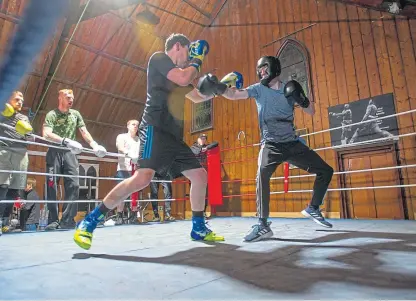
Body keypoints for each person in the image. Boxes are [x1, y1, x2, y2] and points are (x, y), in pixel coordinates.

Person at [74, 33, 224, 250]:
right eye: (188, 52)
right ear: (178, 46)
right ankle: (90, 221)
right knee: (142, 178)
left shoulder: (180, 77)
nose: (189, 57)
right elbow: (183, 77)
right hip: (154, 128)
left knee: (200, 176)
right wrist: (198, 60)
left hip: (173, 137)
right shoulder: (159, 59)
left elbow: (199, 96)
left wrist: (218, 88)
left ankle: (198, 228)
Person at [192, 56, 334, 242]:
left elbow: (311, 112)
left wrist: (302, 99)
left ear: (274, 67)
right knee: (262, 175)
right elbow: (235, 95)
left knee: (326, 170)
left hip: (292, 143)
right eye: (259, 69)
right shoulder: (258, 89)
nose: (261, 72)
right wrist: (218, 87)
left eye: (264, 67)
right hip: (271, 145)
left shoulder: (289, 89)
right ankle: (263, 225)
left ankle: (313, 207)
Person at [42, 89, 107, 231]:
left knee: (74, 184)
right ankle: (52, 219)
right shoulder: (52, 114)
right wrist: (64, 140)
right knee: (51, 185)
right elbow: (46, 133)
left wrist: (94, 145)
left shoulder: (76, 114)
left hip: (70, 153)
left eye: (72, 97)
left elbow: (84, 131)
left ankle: (67, 219)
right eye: (67, 97)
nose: (71, 99)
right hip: (54, 150)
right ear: (60, 98)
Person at [0, 91, 33, 236]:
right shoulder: (1, 114)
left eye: (22, 100)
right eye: (17, 99)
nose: (20, 102)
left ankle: (6, 222)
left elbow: (31, 138)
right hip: (4, 151)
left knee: (15, 189)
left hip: (21, 154)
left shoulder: (24, 117)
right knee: (3, 186)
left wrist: (28, 132)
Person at [114, 119, 140, 225]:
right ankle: (119, 215)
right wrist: (128, 153)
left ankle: (134, 215)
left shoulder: (139, 140)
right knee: (121, 194)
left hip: (135, 170)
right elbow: (120, 147)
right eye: (133, 124)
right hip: (123, 169)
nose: (135, 127)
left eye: (137, 125)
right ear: (128, 126)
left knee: (135, 193)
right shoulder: (122, 136)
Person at [190, 134, 209, 215]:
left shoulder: (206, 146)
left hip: (203, 172)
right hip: (194, 172)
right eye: (201, 138)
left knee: (204, 192)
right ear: (198, 139)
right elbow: (196, 151)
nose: (203, 140)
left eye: (204, 139)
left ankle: (203, 211)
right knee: (195, 193)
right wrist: (202, 148)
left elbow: (216, 143)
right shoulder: (193, 147)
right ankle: (195, 212)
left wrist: (207, 147)